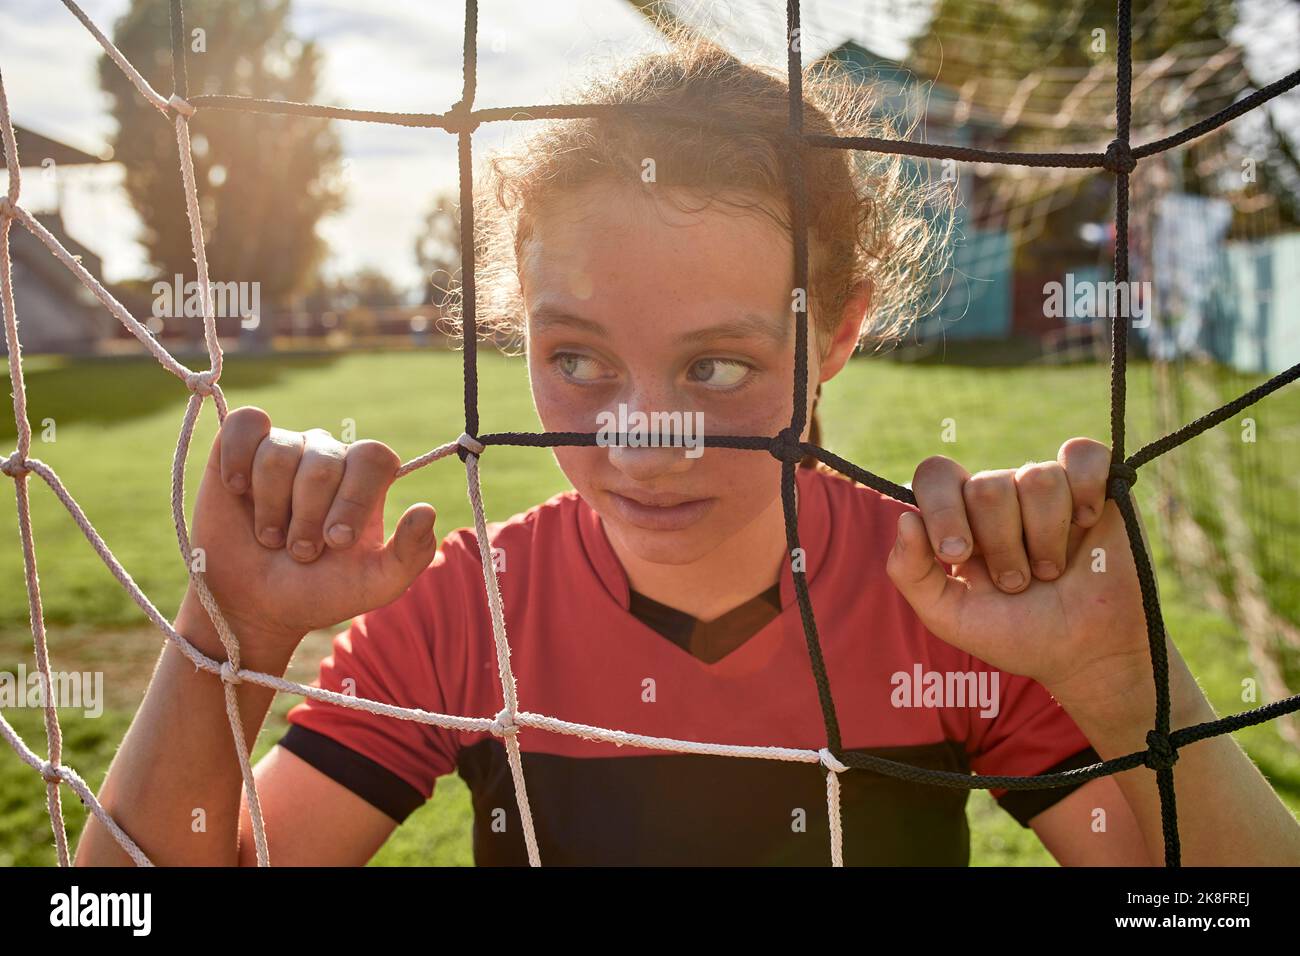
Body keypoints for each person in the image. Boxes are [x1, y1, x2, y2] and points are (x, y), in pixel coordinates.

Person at [76, 30, 1300, 866]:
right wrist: (224, 637)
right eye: (577, 361)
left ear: (838, 335)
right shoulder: (467, 613)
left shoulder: (958, 604)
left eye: (715, 367)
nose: (641, 445)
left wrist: (1126, 676)